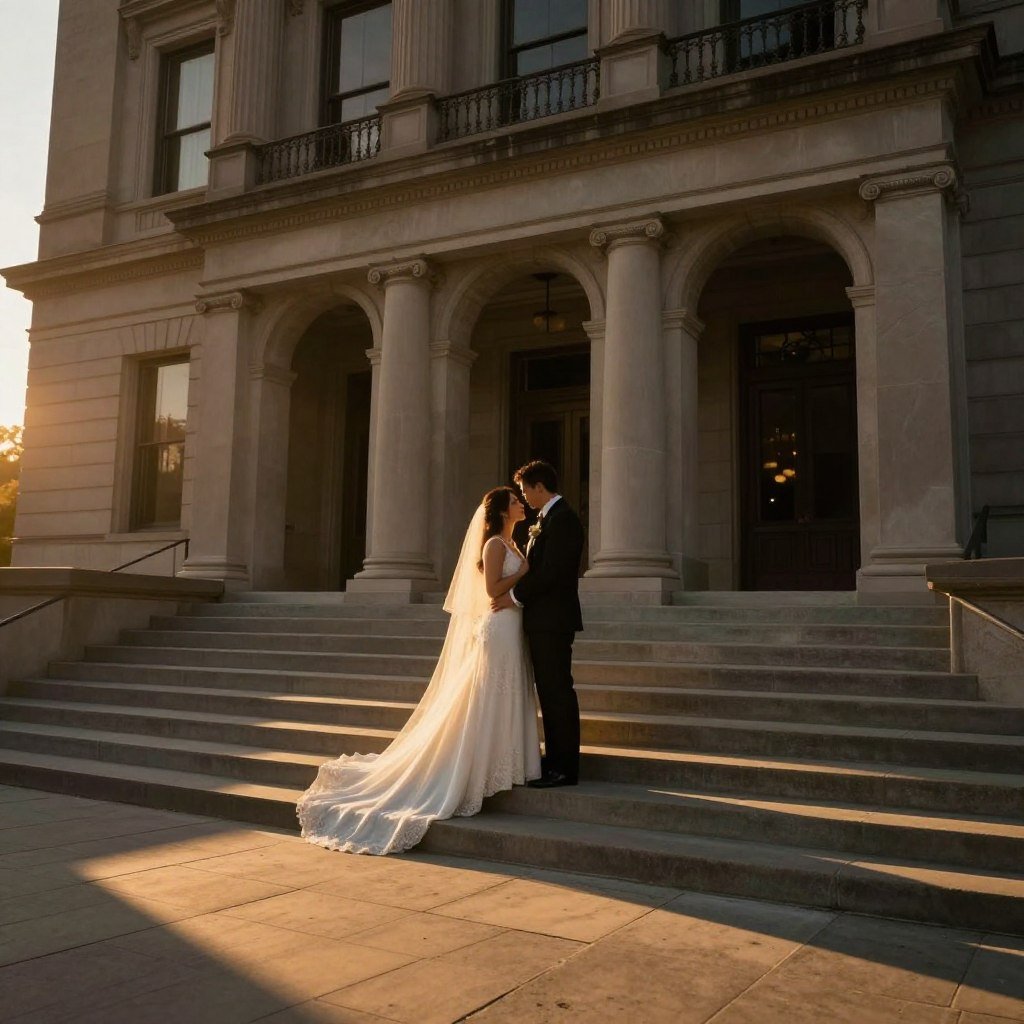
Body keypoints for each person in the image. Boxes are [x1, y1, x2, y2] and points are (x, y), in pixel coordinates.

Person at [297, 486, 541, 854]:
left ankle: (506, 763)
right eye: (515, 501)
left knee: (505, 691)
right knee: (491, 693)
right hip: (497, 627)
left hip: (511, 628)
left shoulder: (511, 544)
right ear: (503, 510)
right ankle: (475, 769)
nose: (521, 504)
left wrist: (521, 570)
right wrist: (522, 573)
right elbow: (492, 591)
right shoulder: (493, 545)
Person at [492, 460, 584, 788]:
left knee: (557, 691)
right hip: (542, 621)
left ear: (539, 487)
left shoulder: (564, 521)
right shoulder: (547, 520)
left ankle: (565, 767)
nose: (524, 497)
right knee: (549, 691)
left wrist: (514, 596)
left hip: (553, 621)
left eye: (524, 490)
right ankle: (555, 760)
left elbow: (551, 573)